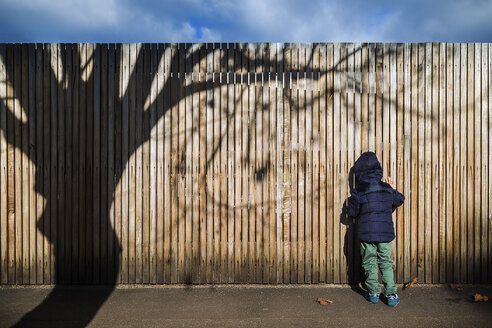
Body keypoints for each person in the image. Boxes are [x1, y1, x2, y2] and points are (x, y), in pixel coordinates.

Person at [346, 151, 405, 307]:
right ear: (378, 170)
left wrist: (350, 202)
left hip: (366, 234)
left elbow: (352, 212)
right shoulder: (386, 188)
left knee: (369, 262)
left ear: (359, 173)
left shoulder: (358, 191)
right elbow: (399, 200)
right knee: (385, 262)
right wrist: (393, 188)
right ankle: (391, 295)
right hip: (385, 234)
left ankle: (373, 292)